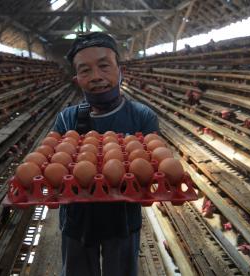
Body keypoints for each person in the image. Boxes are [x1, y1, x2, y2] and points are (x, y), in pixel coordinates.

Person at [52, 32, 159, 276]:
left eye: (104, 66)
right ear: (76, 78)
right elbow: (56, 167)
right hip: (76, 221)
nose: (96, 77)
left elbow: (151, 172)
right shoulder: (67, 118)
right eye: (85, 70)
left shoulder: (142, 117)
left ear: (120, 69)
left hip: (122, 220)